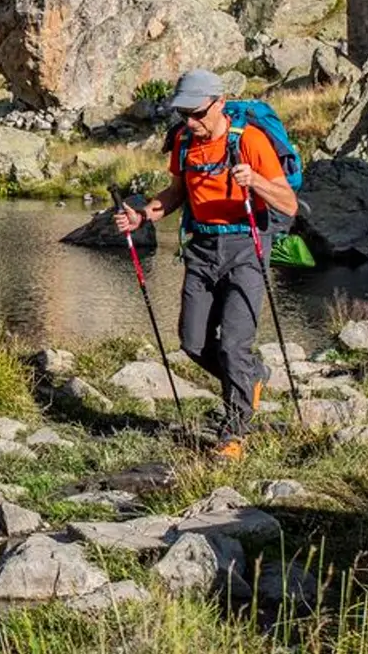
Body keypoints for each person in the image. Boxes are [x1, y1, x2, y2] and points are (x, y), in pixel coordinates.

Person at [115, 68, 298, 460]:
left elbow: (288, 203)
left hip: (247, 244)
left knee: (233, 345)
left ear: (218, 103)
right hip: (201, 247)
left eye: (197, 114)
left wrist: (257, 183)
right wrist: (143, 216)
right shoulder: (184, 141)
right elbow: (177, 192)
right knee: (193, 342)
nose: (191, 122)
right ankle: (251, 378)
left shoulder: (250, 141)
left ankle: (234, 432)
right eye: (184, 115)